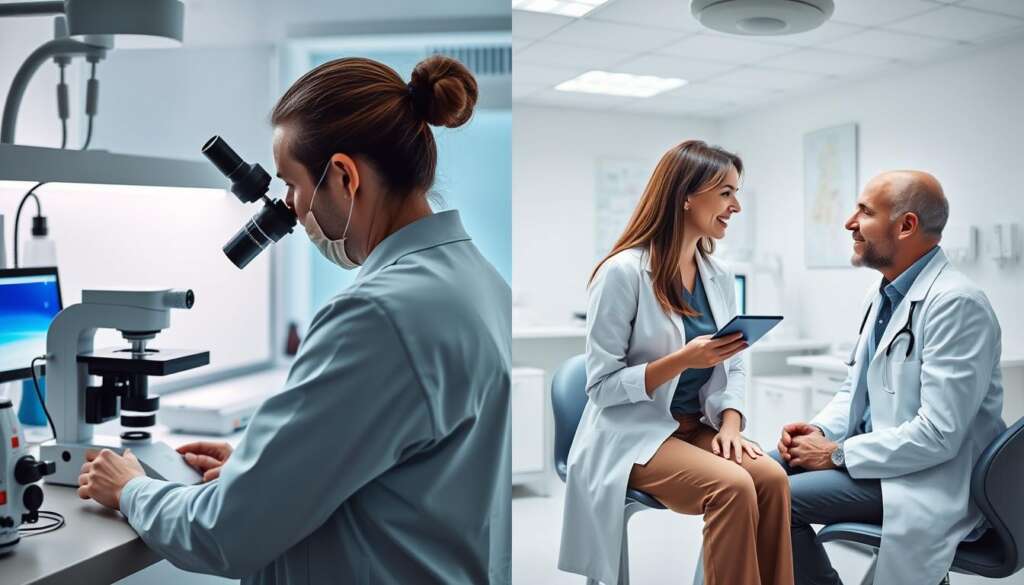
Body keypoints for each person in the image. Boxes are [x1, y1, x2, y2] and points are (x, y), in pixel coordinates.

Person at [76, 55, 512, 585]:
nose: (294, 207)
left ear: (345, 177)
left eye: (294, 185)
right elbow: (418, 467)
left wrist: (130, 488)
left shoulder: (378, 314)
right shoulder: (479, 280)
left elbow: (224, 534)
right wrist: (268, 470)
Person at [560, 141, 794, 585]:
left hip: (695, 425)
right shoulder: (623, 272)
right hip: (633, 433)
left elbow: (736, 364)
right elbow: (602, 387)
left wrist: (730, 424)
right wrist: (684, 359)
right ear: (688, 195)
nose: (736, 206)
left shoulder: (719, 275)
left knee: (771, 478)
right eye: (726, 193)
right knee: (733, 486)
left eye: (736, 193)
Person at [774, 170, 1005, 585]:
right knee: (752, 475)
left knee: (776, 500)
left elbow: (939, 434)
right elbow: (855, 389)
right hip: (883, 462)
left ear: (906, 226)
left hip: (926, 479)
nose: (849, 223)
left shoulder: (957, 303)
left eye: (864, 211)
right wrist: (819, 429)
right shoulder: (884, 292)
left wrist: (836, 453)